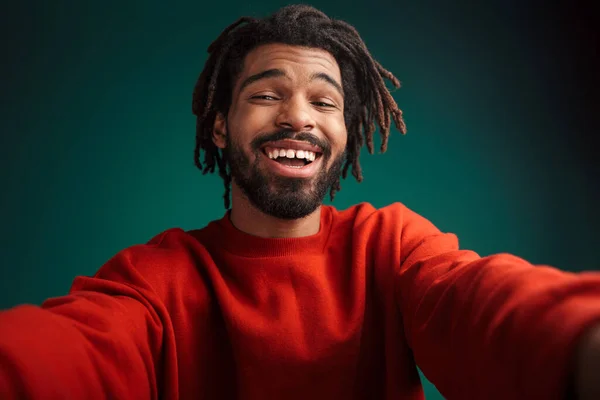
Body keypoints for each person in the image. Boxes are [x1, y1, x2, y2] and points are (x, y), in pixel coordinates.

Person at [1, 4, 599, 399]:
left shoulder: (389, 247)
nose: (297, 118)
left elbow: (482, 306)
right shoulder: (156, 280)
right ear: (218, 126)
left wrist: (580, 337)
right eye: (266, 94)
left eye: (325, 101)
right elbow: (71, 350)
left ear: (347, 131)